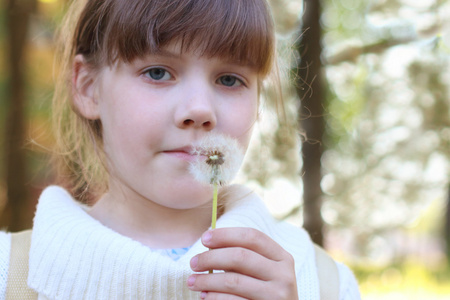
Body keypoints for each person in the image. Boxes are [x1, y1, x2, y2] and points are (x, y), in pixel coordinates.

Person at [0, 0, 361, 299]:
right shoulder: (10, 274)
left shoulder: (324, 281)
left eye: (230, 79)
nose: (200, 110)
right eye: (158, 72)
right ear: (88, 87)